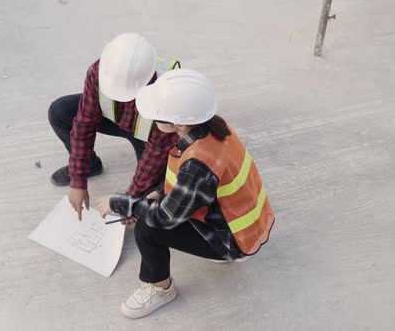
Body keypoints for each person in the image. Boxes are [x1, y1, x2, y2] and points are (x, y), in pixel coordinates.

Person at [96, 69, 275, 319]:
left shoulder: (198, 164)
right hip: (243, 224)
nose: (152, 117)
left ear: (180, 123)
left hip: (231, 241)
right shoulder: (215, 127)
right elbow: (187, 182)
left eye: (158, 112)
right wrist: (158, 192)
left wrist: (120, 202)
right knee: (149, 204)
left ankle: (160, 288)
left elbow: (163, 218)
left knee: (147, 229)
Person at [48, 33, 181, 220]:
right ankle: (91, 165)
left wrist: (129, 200)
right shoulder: (102, 70)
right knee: (60, 112)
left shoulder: (166, 92)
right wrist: (78, 179)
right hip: (115, 119)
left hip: (150, 136)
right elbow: (84, 124)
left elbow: (157, 150)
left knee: (152, 195)